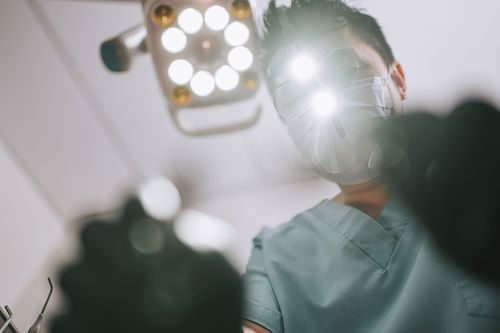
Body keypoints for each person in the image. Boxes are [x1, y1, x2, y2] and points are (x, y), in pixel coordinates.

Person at [241, 1, 500, 332]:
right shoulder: (276, 257)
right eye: (294, 95)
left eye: (346, 69)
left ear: (399, 80)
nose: (322, 98)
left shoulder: (477, 187)